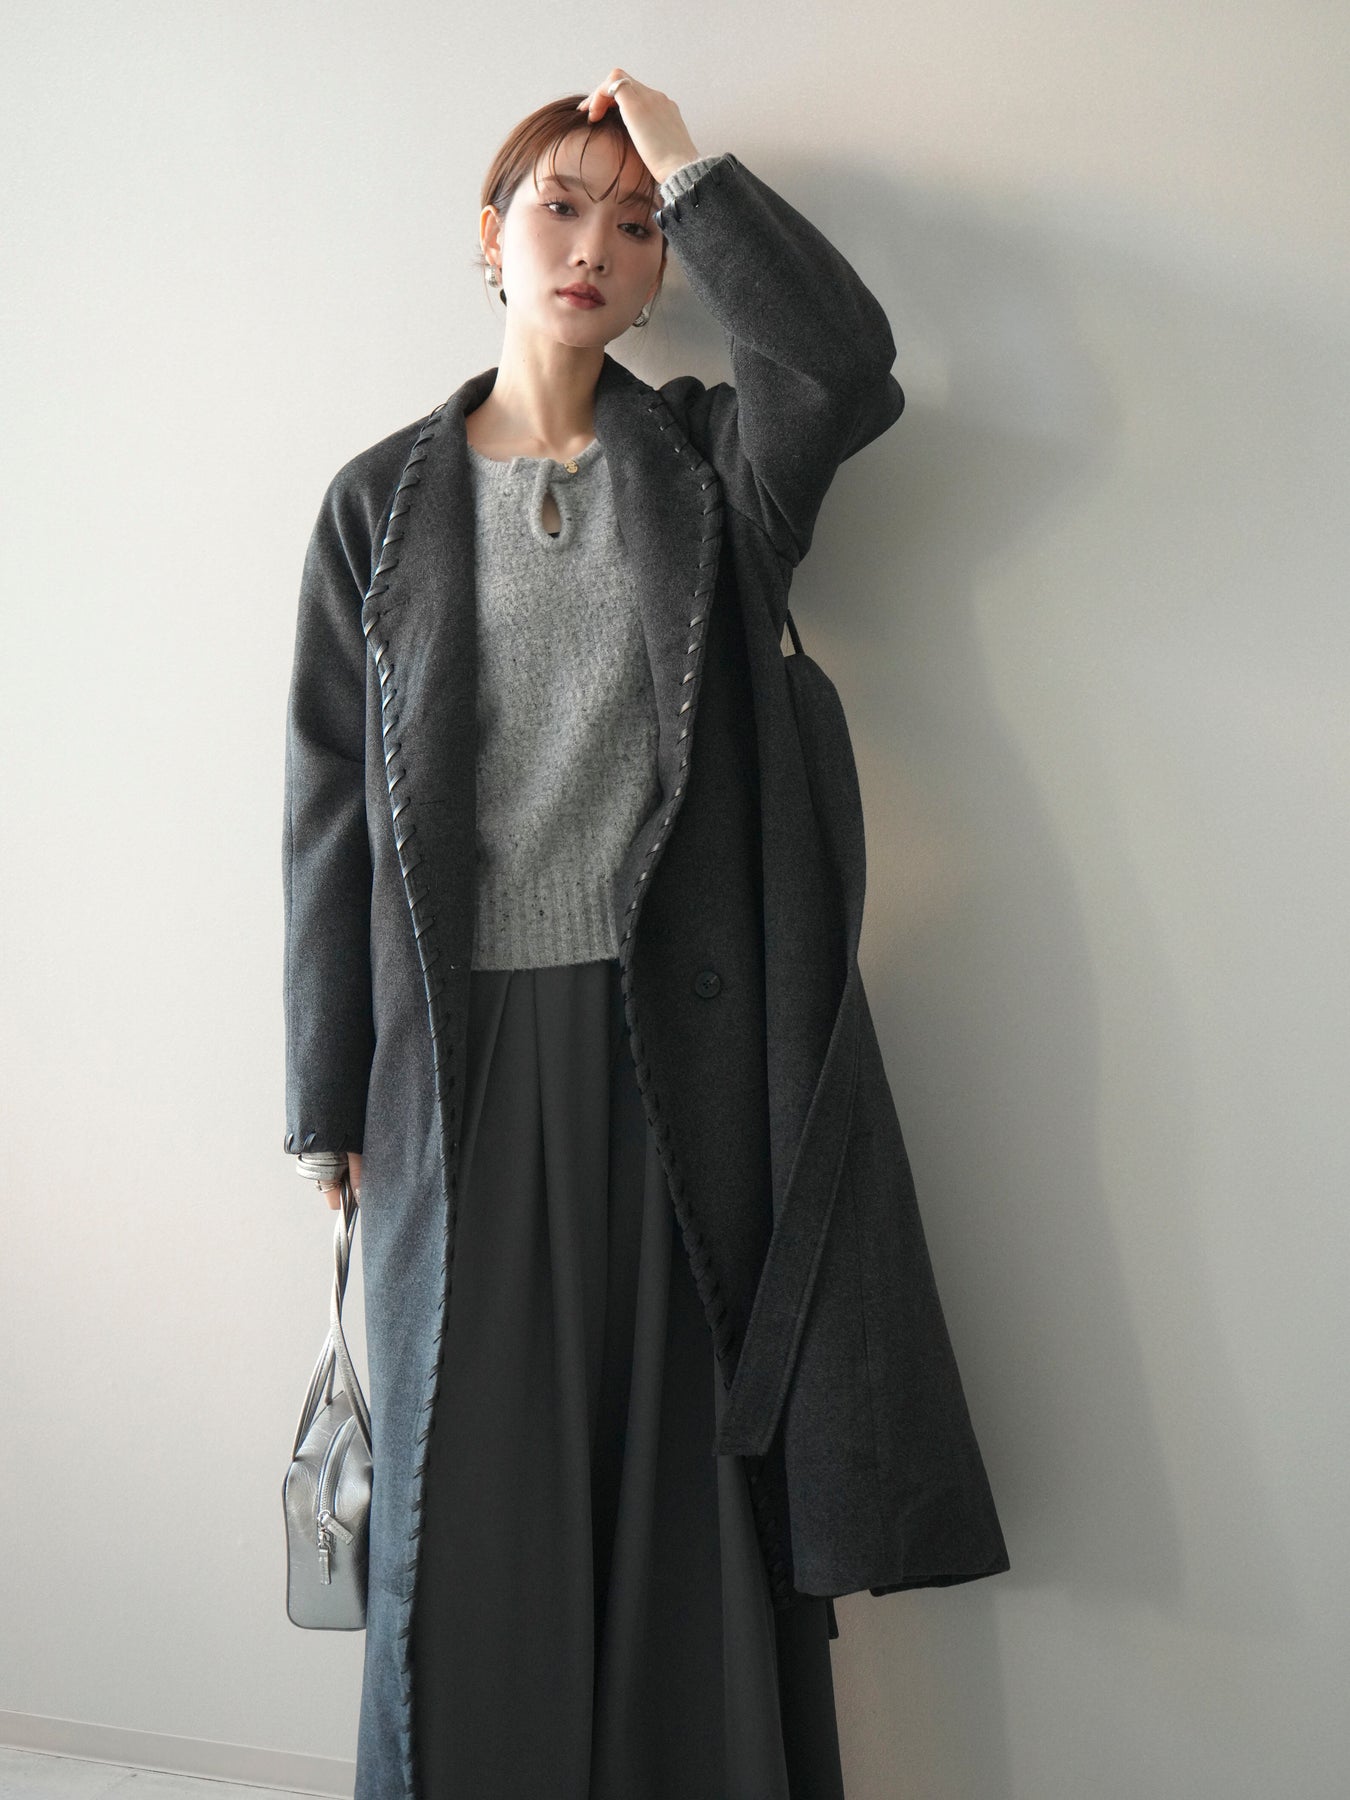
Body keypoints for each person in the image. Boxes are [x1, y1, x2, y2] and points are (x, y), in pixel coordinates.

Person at [284, 68, 915, 1799]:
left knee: (684, 1461)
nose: (592, 246)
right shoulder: (375, 503)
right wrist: (323, 1100)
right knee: (461, 1468)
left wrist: (691, 166)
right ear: (489, 239)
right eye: (558, 208)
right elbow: (328, 813)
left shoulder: (710, 471)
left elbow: (842, 369)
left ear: (658, 276)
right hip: (455, 1056)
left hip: (681, 1044)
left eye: (633, 227)